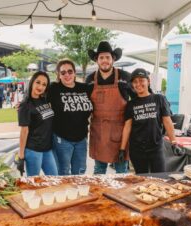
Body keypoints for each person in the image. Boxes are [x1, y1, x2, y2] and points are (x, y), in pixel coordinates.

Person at [86, 41, 135, 174]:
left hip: (120, 133)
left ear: (113, 59)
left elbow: (137, 99)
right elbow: (84, 106)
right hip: (99, 132)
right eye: (101, 58)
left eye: (107, 57)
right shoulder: (90, 79)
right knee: (99, 171)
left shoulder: (125, 77)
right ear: (97, 60)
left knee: (121, 172)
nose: (104, 61)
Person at [119, 68, 178, 174]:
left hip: (156, 148)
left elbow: (167, 122)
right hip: (137, 150)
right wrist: (122, 149)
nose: (138, 84)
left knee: (160, 177)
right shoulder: (131, 104)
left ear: (148, 81)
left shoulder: (159, 99)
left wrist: (174, 142)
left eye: (141, 80)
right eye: (135, 82)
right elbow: (127, 126)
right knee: (141, 180)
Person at [47, 59, 93, 175]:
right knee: (63, 172)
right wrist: (25, 103)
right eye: (63, 73)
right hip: (62, 139)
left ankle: (78, 193)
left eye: (70, 71)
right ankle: (64, 193)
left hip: (81, 139)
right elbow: (36, 93)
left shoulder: (85, 88)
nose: (67, 75)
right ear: (58, 75)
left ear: (74, 72)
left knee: (80, 171)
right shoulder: (54, 88)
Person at [17, 71, 58, 177]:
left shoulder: (44, 100)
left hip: (47, 149)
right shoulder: (25, 105)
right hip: (33, 150)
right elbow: (24, 131)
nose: (40, 86)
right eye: (38, 82)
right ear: (32, 82)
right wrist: (21, 156)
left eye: (44, 84)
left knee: (55, 178)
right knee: (33, 183)